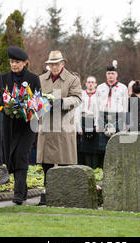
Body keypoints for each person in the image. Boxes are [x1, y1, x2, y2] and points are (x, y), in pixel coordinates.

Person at [37, 50, 82, 205]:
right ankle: (46, 194)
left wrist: (62, 102)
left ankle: (66, 195)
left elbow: (77, 98)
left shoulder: (72, 79)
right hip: (47, 125)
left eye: (56, 64)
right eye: (51, 64)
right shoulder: (41, 79)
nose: (54, 67)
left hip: (64, 125)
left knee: (65, 163)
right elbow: (36, 98)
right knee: (46, 163)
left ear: (62, 63)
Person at [1, 46, 41, 205]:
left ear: (25, 63)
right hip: (10, 123)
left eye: (17, 62)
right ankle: (23, 191)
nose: (14, 65)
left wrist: (26, 107)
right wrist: (6, 107)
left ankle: (18, 194)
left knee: (21, 155)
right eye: (11, 62)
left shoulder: (33, 78)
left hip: (27, 124)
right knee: (10, 157)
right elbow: (0, 99)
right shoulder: (4, 78)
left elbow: (38, 100)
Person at [95, 62, 128, 158]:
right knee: (103, 147)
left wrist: (125, 123)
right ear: (106, 75)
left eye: (113, 73)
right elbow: (97, 106)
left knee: (117, 144)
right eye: (109, 73)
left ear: (116, 75)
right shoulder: (100, 88)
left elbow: (125, 106)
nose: (111, 76)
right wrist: (96, 123)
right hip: (103, 116)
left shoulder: (123, 88)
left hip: (118, 117)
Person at [75, 76, 100, 169]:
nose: (90, 84)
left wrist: (97, 124)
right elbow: (77, 111)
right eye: (89, 82)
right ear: (85, 84)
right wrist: (79, 127)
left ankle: (94, 168)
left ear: (96, 84)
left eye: (92, 82)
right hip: (83, 119)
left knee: (93, 147)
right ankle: (85, 167)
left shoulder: (98, 95)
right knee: (84, 146)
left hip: (92, 120)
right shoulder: (81, 94)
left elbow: (98, 111)